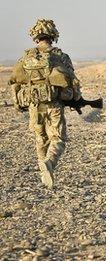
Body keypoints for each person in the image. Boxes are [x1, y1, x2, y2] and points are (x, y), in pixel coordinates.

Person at [8, 19, 82, 188]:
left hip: (34, 105)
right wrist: (76, 98)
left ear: (35, 37)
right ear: (53, 35)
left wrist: (18, 103)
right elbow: (73, 82)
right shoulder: (60, 57)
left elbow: (15, 82)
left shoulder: (26, 59)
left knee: (41, 139)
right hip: (54, 104)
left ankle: (45, 176)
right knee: (58, 138)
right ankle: (49, 163)